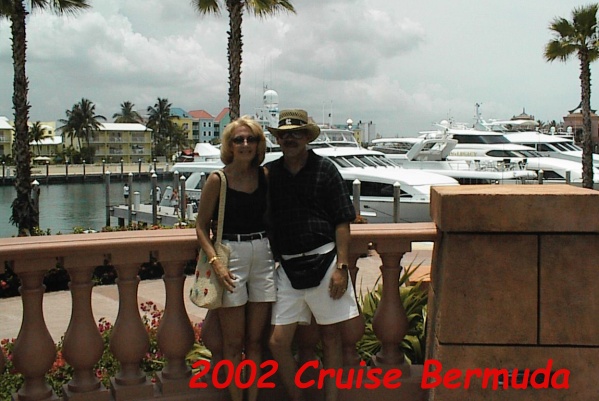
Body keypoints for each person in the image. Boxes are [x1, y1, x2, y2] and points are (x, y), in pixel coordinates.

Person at [266, 109, 359, 401]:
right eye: (284, 134)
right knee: (278, 342)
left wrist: (342, 266)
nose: (290, 139)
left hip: (326, 261)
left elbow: (342, 220)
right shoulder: (270, 174)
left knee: (331, 338)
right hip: (288, 268)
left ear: (307, 137)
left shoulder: (326, 169)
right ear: (278, 140)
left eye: (296, 133)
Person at [195, 116, 275, 401]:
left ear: (258, 144)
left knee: (255, 342)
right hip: (230, 255)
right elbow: (201, 226)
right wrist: (216, 262)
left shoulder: (264, 176)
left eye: (251, 139)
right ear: (229, 145)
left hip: (263, 254)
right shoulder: (218, 180)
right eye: (238, 139)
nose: (245, 144)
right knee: (232, 343)